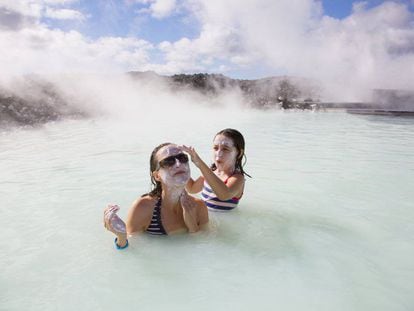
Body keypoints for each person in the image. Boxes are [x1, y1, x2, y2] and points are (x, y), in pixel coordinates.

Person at [103, 143, 209, 249]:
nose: (178, 164)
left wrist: (193, 227)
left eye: (182, 158)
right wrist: (121, 237)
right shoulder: (143, 208)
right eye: (168, 161)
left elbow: (208, 249)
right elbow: (131, 254)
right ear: (157, 176)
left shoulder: (199, 207)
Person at [183, 128, 250, 211]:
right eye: (215, 148)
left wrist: (200, 163)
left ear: (239, 153)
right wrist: (181, 170)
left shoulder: (238, 179)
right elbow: (192, 189)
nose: (219, 153)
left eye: (225, 149)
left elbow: (224, 194)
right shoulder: (209, 173)